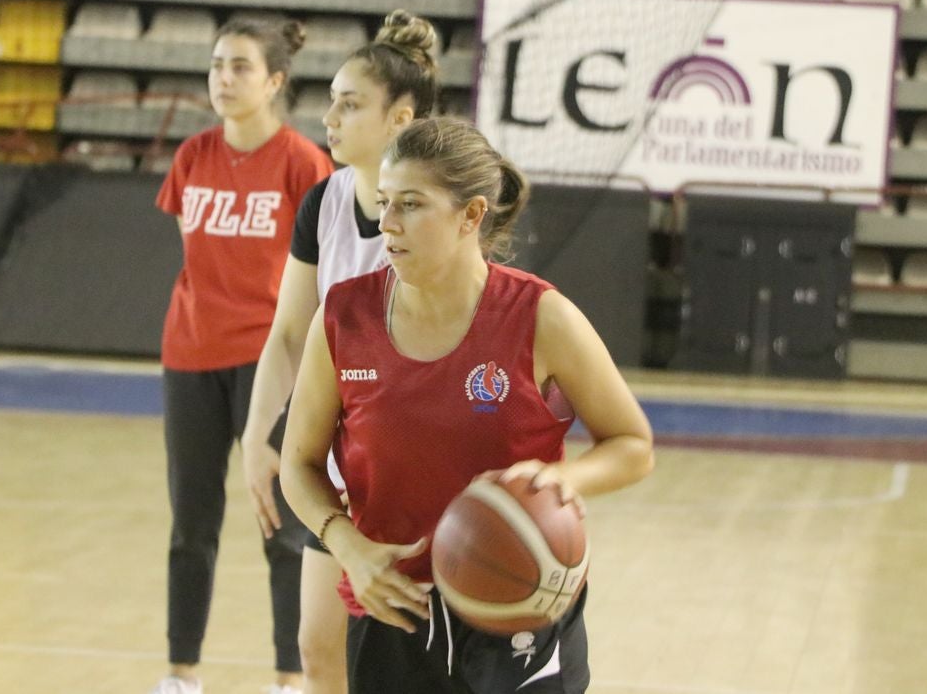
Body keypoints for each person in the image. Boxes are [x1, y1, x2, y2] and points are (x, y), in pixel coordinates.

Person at [279, 116, 655, 694]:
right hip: (395, 608)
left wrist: (561, 479)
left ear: (471, 215)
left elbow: (632, 445)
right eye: (384, 202)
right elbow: (298, 463)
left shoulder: (540, 316)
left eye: (411, 204)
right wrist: (348, 546)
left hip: (522, 604)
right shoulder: (343, 317)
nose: (388, 223)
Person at [238, 10, 439, 694]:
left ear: (400, 120)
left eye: (350, 105)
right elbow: (290, 332)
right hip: (340, 461)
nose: (331, 117)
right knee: (318, 649)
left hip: (416, 461)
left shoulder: (430, 211)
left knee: (410, 661)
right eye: (330, 101)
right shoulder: (323, 202)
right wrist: (259, 439)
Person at [151, 17, 334, 694]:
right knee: (190, 525)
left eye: (240, 67)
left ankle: (290, 679)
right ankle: (180, 674)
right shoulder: (192, 155)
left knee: (282, 528)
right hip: (190, 356)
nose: (223, 79)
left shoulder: (303, 163)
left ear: (276, 81)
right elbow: (192, 255)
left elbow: (317, 277)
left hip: (272, 366)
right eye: (217, 65)